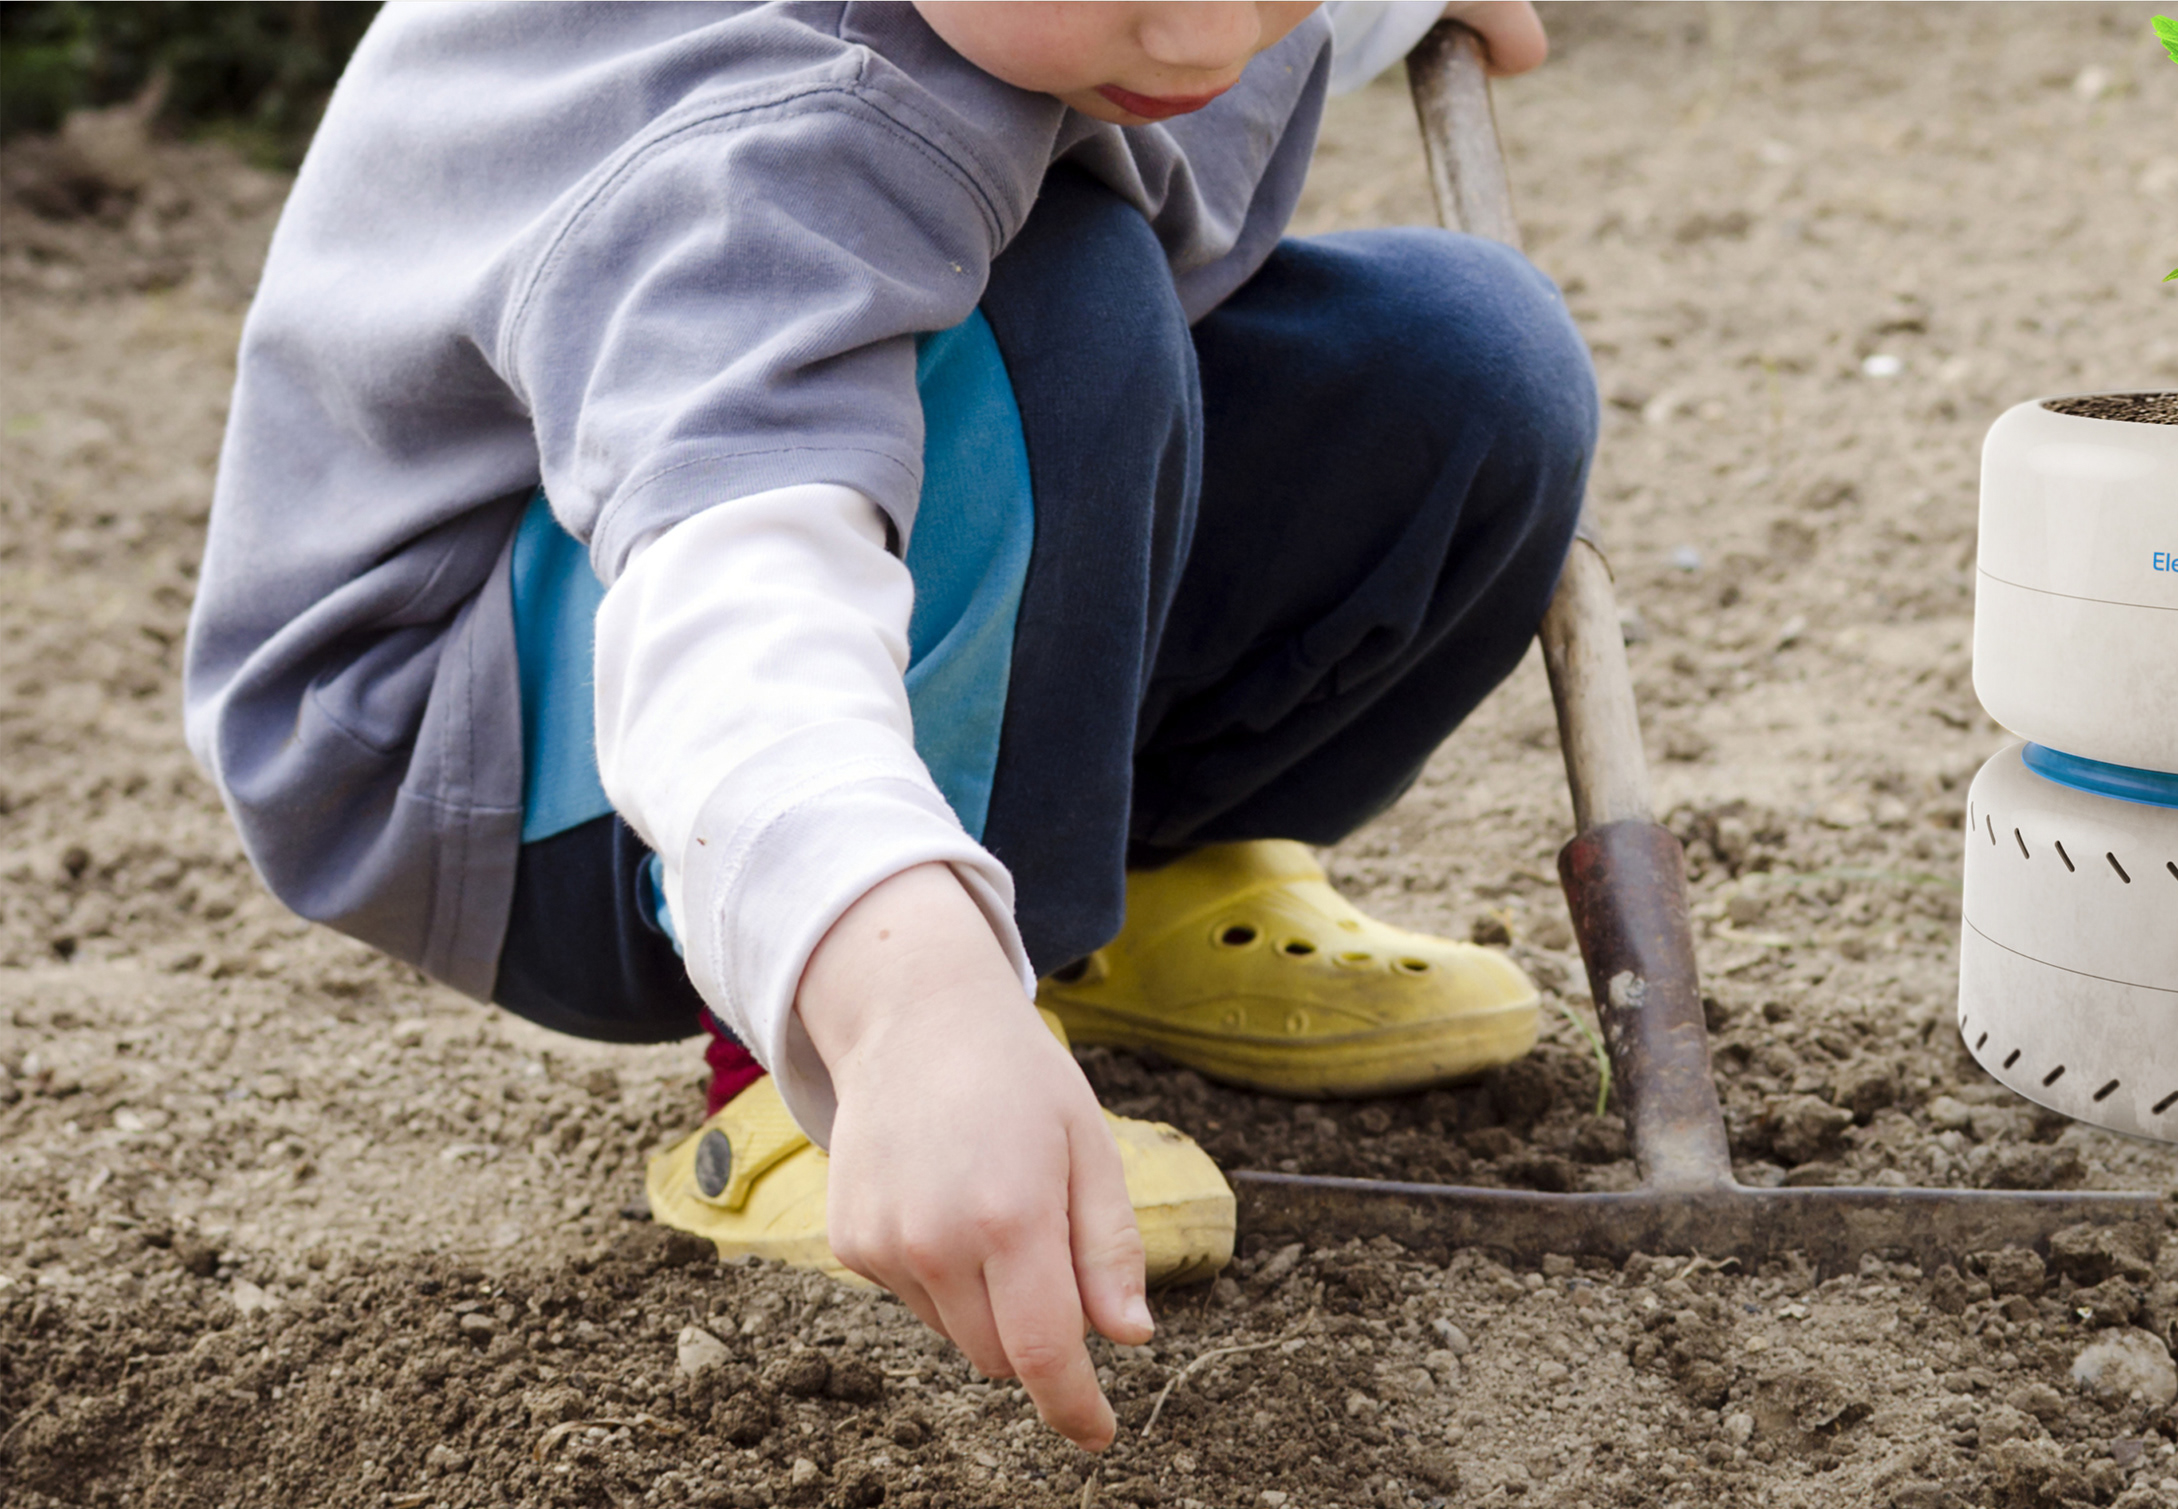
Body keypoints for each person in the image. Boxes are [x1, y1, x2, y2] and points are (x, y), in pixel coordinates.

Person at [184, 0, 1591, 1451]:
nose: (1201, 34)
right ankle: (817, 1051)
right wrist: (906, 1006)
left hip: (861, 471)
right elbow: (739, 613)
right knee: (1063, 306)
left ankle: (1126, 900)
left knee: (1465, 364)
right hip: (506, 729)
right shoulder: (777, 141)